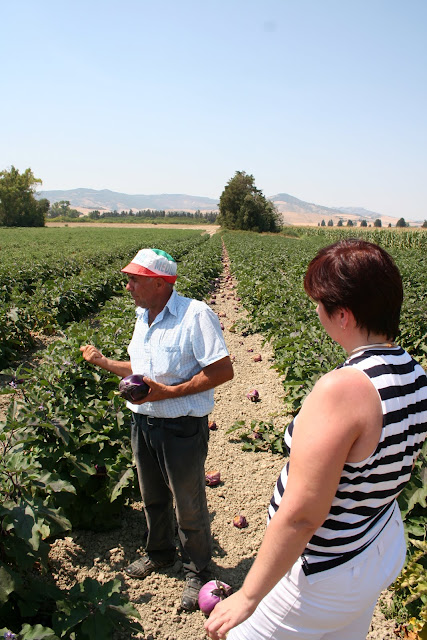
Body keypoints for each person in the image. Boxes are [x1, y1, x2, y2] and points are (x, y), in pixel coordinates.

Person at [205, 238, 427, 640]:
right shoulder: (414, 373)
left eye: (320, 303)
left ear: (343, 315)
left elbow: (304, 514)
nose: (316, 310)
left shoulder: (343, 390)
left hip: (326, 569)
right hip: (377, 539)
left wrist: (248, 597)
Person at [80, 247, 233, 611]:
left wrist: (170, 393)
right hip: (142, 422)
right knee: (152, 496)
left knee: (188, 503)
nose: (128, 285)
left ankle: (198, 569)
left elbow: (222, 371)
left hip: (181, 427)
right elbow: (140, 369)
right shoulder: (141, 315)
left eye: (135, 279)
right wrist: (103, 363)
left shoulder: (195, 315)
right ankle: (160, 552)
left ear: (161, 283)